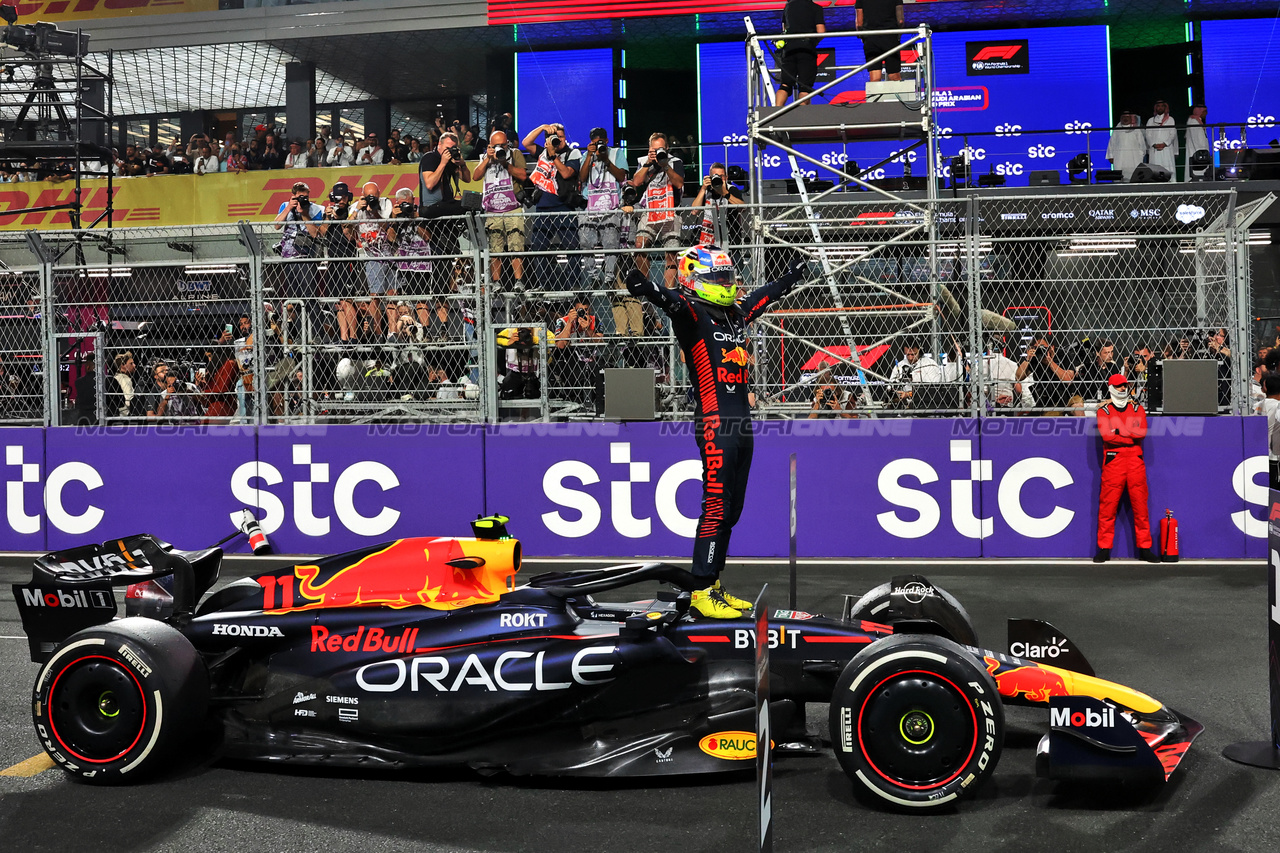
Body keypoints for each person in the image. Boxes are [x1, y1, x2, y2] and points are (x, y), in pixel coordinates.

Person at [624, 245, 805, 618]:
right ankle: (701, 590)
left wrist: (791, 276)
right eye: (717, 278)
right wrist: (645, 287)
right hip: (715, 422)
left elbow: (762, 297)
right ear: (696, 279)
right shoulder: (692, 312)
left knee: (732, 510)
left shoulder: (736, 313)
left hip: (741, 425)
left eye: (728, 277)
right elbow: (669, 299)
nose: (726, 284)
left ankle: (714, 583)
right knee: (717, 507)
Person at [1094, 374, 1158, 563]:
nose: (1123, 388)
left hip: (1134, 460)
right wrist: (1129, 431)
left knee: (1140, 506)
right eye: (1119, 386)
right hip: (1114, 461)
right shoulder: (1103, 411)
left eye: (1125, 385)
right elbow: (1107, 436)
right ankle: (1104, 548)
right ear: (1111, 387)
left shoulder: (1137, 408)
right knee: (1108, 506)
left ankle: (1145, 548)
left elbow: (1142, 432)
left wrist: (1119, 430)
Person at [522, 122, 582, 292]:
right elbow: (526, 143)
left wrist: (554, 155)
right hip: (543, 208)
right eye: (554, 138)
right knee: (538, 249)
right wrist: (541, 128)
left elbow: (567, 173)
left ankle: (574, 284)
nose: (558, 140)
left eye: (561, 137)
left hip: (564, 207)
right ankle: (544, 284)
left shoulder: (573, 152)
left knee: (572, 248)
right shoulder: (542, 153)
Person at [475, 129, 528, 293]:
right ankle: (496, 283)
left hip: (512, 207)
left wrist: (506, 164)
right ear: (490, 145)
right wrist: (487, 159)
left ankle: (518, 281)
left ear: (507, 144)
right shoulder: (485, 157)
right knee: (495, 247)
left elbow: (523, 175)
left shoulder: (515, 153)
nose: (500, 148)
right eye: (496, 145)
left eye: (503, 145)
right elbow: (475, 176)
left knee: (516, 244)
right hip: (493, 210)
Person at [631, 132, 684, 289]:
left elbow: (679, 184)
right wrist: (649, 163)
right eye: (655, 149)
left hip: (671, 210)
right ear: (649, 149)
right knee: (640, 245)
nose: (658, 152)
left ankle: (669, 293)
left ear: (667, 148)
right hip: (650, 210)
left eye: (661, 149)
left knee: (672, 252)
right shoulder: (643, 162)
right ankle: (646, 290)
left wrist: (665, 164)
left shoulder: (675, 162)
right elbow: (636, 182)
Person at [578, 127, 628, 295]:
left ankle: (609, 278)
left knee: (610, 243)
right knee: (585, 241)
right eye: (594, 142)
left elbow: (622, 177)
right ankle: (593, 276)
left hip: (611, 207)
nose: (597, 144)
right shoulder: (587, 155)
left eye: (600, 141)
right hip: (591, 207)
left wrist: (606, 159)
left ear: (606, 141)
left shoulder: (616, 153)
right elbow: (582, 178)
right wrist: (590, 156)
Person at [354, 181, 397, 333]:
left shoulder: (385, 203)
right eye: (369, 196)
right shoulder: (356, 206)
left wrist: (374, 212)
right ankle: (378, 333)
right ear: (363, 195)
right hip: (371, 256)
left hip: (390, 255)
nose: (372, 198)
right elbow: (346, 229)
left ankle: (392, 332)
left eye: (375, 196)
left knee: (393, 294)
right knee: (375, 296)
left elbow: (387, 225)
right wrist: (356, 211)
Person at [273, 181, 323, 298]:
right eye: (299, 197)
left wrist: (305, 214)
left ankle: (312, 316)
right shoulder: (285, 206)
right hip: (288, 257)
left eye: (305, 197)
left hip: (307, 257)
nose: (302, 200)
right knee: (292, 296)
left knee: (309, 295)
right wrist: (290, 207)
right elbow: (276, 226)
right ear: (293, 196)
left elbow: (316, 234)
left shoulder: (315, 209)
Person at [775, 0, 828, 106]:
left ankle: (775, 112)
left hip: (789, 49)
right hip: (806, 49)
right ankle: (801, 117)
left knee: (785, 85)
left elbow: (784, 28)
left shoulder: (788, 7)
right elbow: (821, 31)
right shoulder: (815, 8)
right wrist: (813, 42)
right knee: (805, 87)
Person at [691, 162, 745, 246]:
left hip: (731, 237)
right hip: (708, 238)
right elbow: (694, 211)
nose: (718, 178)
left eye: (721, 176)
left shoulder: (731, 189)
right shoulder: (706, 191)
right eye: (715, 176)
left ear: (726, 178)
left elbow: (743, 208)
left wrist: (725, 193)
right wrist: (703, 188)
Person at [854, 0, 902, 84]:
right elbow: (900, 20)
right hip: (890, 37)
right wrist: (898, 34)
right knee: (894, 76)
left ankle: (876, 97)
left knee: (875, 78)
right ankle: (896, 97)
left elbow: (859, 23)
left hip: (871, 38)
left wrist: (862, 36)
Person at [1105, 111, 1146, 182]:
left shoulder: (1136, 130)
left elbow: (1142, 145)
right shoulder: (1117, 130)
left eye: (1127, 117)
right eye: (1123, 117)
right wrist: (1110, 156)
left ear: (1131, 118)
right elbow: (1111, 143)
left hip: (1134, 160)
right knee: (1119, 178)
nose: (1125, 119)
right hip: (1119, 159)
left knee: (1133, 178)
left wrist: (1140, 156)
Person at [1146, 100, 1178, 176]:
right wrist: (1154, 144)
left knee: (1168, 169)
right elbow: (1148, 135)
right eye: (1158, 106)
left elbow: (1172, 133)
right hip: (1155, 149)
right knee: (1155, 171)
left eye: (1162, 106)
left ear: (1165, 107)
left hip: (1166, 149)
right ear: (1155, 108)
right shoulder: (1151, 121)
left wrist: (1164, 144)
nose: (1160, 108)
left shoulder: (1170, 119)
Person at [1184, 104, 1209, 182]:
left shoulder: (1198, 121)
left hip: (1200, 152)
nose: (1206, 113)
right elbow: (1196, 139)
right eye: (1204, 111)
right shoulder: (1193, 121)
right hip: (1196, 153)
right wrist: (1201, 153)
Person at [72, 353, 97, 425]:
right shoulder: (107, 380)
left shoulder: (79, 382)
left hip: (83, 419)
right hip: (102, 418)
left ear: (88, 366)